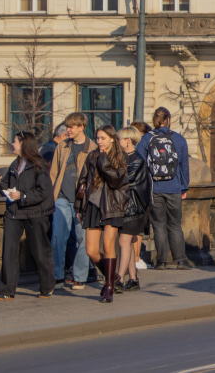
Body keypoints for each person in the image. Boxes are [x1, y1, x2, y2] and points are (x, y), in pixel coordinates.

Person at [0, 131, 56, 300]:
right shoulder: (15, 164)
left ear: (23, 144)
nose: (12, 144)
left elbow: (44, 192)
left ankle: (47, 286)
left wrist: (23, 195)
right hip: (14, 213)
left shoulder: (38, 165)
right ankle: (7, 291)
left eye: (15, 141)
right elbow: (8, 187)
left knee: (39, 251)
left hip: (35, 213)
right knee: (9, 252)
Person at [77, 125, 129, 302]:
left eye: (103, 138)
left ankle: (109, 287)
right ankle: (112, 276)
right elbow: (83, 181)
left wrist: (103, 159)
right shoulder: (92, 155)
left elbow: (116, 180)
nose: (99, 141)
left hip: (112, 205)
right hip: (93, 205)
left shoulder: (120, 157)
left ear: (112, 139)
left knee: (108, 246)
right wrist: (79, 208)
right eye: (97, 138)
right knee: (91, 250)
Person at [137, 106, 192, 270]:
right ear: (168, 120)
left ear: (155, 120)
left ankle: (161, 262)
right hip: (174, 187)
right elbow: (184, 166)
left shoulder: (147, 138)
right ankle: (181, 261)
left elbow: (139, 161)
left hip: (155, 188)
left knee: (159, 225)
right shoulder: (179, 139)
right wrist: (184, 187)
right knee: (175, 224)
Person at [48, 113, 96, 289]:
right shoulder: (62, 146)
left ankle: (80, 276)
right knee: (58, 236)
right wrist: (51, 196)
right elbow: (53, 173)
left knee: (82, 239)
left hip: (82, 201)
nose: (67, 130)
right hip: (61, 198)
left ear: (81, 127)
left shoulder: (92, 148)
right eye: (67, 127)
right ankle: (57, 276)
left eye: (71, 127)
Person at [116, 126, 152, 292]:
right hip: (127, 207)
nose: (117, 142)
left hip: (133, 208)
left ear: (128, 141)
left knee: (123, 241)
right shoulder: (126, 157)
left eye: (119, 139)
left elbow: (125, 179)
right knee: (128, 243)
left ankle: (118, 278)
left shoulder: (137, 159)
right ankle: (133, 279)